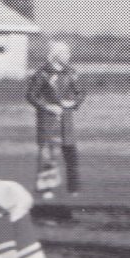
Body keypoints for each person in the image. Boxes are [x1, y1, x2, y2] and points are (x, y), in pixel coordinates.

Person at [27, 40, 86, 199]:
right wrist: (47, 106)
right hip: (47, 119)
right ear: (56, 54)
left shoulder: (71, 72)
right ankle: (46, 188)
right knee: (48, 154)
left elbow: (81, 92)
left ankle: (74, 188)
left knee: (71, 153)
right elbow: (31, 96)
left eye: (68, 53)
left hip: (66, 119)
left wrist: (73, 103)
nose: (68, 56)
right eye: (64, 53)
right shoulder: (42, 73)